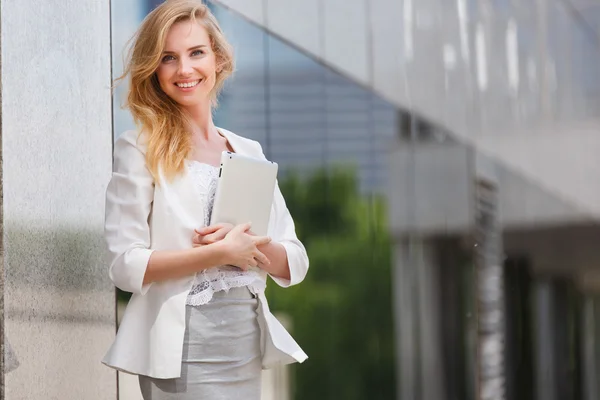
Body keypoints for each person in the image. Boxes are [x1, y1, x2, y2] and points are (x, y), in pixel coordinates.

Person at [101, 1, 309, 398]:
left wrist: (246, 247)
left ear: (217, 57)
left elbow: (295, 259)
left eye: (196, 52)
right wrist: (216, 253)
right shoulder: (137, 149)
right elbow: (125, 265)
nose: (185, 69)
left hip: (245, 338)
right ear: (154, 70)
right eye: (168, 58)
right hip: (183, 344)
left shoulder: (249, 151)